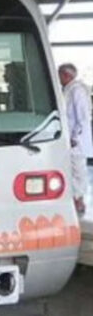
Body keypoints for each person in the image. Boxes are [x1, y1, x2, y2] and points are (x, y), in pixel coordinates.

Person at [58, 63, 93, 214]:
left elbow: (82, 118)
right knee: (71, 169)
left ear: (66, 75)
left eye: (60, 75)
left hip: (76, 140)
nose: (58, 78)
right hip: (69, 138)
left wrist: (75, 137)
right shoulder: (68, 89)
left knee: (78, 169)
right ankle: (73, 198)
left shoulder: (77, 90)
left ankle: (79, 200)